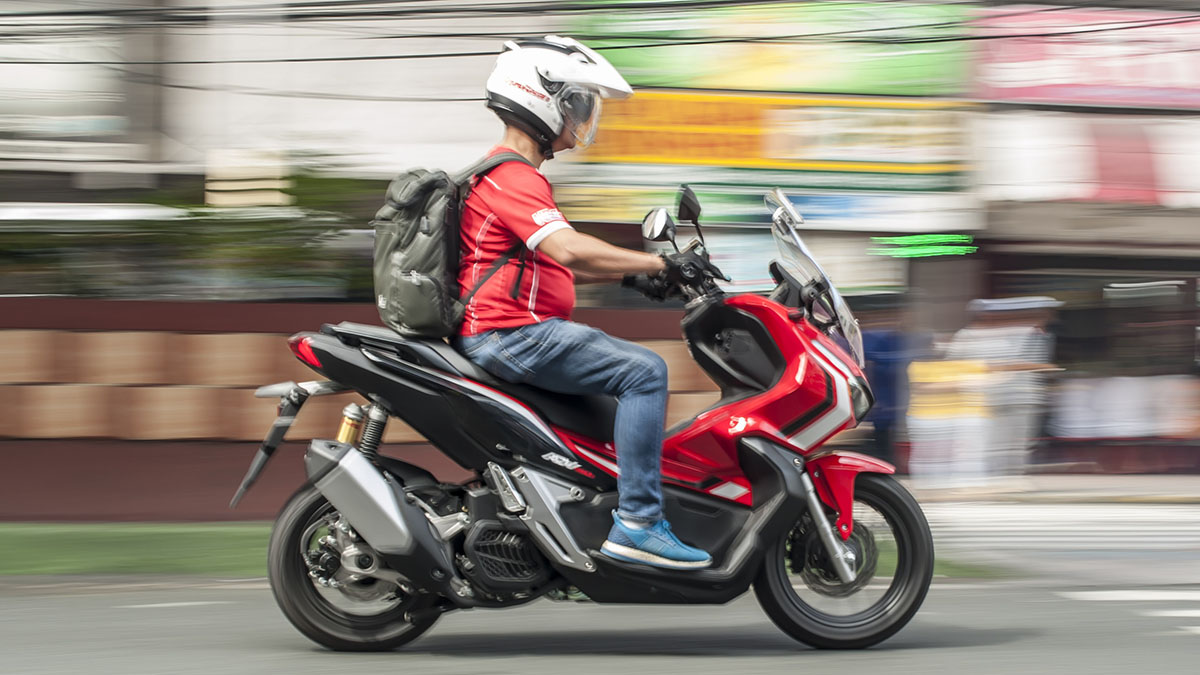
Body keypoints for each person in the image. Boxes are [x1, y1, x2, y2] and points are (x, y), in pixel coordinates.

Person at [451, 36, 712, 570]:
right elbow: (568, 248)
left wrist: (638, 280)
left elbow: (559, 261)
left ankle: (591, 511)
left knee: (620, 393)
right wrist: (662, 263)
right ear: (541, 98)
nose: (582, 116)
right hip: (510, 334)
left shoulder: (512, 178)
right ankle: (638, 524)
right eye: (575, 102)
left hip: (511, 329)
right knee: (645, 373)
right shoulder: (512, 175)